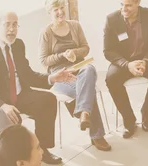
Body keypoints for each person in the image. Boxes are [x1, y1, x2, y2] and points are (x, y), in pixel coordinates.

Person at [0, 11, 75, 164]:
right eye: (7, 24)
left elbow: (28, 74)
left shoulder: (18, 45)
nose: (12, 29)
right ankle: (11, 159)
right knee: (10, 122)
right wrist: (2, 105)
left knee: (47, 100)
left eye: (15, 25)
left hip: (19, 94)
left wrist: (51, 78)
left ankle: (42, 149)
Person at [40, 0, 111, 151]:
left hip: (80, 67)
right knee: (87, 89)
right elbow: (44, 60)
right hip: (60, 74)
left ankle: (83, 112)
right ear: (49, 13)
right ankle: (96, 134)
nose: (60, 12)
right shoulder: (46, 32)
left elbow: (86, 48)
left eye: (61, 8)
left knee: (89, 69)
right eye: (55, 10)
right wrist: (61, 56)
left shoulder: (75, 25)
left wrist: (75, 53)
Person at [104, 0, 148, 139]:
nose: (123, 9)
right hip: (124, 61)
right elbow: (108, 51)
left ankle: (147, 114)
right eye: (121, 4)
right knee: (111, 78)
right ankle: (128, 119)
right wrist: (127, 65)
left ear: (138, 3)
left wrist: (146, 61)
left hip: (147, 59)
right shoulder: (112, 19)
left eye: (128, 5)